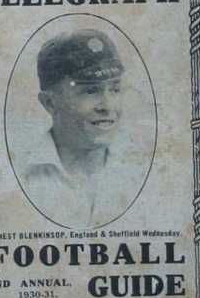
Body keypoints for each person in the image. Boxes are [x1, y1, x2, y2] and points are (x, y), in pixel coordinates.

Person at [21, 28, 141, 228]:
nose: (108, 106)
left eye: (115, 89)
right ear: (50, 103)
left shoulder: (142, 169)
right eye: (90, 90)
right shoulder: (19, 175)